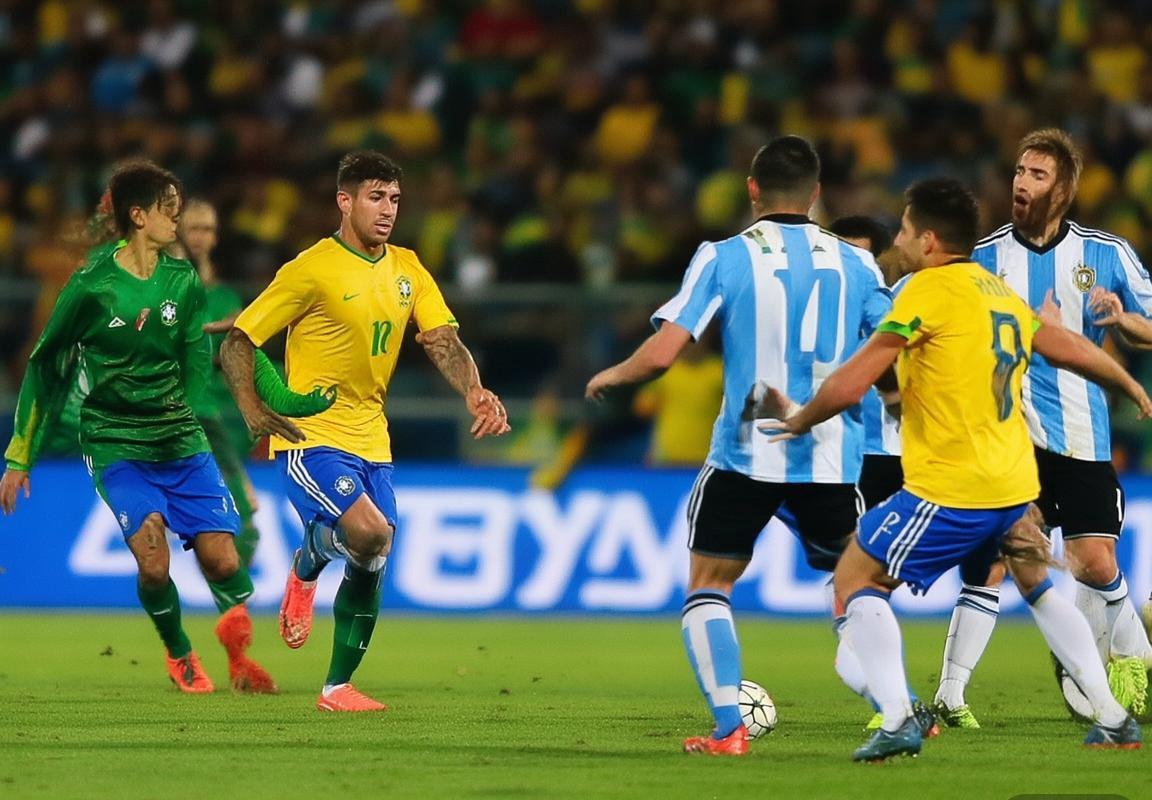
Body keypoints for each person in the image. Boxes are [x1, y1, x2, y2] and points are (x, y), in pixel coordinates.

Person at [760, 177, 1146, 761]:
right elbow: (1068, 347)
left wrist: (799, 418)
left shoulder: (924, 290)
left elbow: (856, 377)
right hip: (1013, 480)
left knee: (854, 579)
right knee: (1036, 584)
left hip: (953, 483)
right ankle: (1113, 717)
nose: (899, 240)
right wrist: (1128, 384)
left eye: (906, 229)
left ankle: (897, 717)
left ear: (930, 241)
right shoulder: (997, 290)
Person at [585, 135, 893, 756]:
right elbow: (893, 353)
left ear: (752, 189)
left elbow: (664, 354)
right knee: (858, 584)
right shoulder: (859, 265)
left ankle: (729, 729)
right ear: (816, 194)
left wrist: (613, 375)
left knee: (709, 583)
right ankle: (900, 708)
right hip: (832, 453)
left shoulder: (723, 255)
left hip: (745, 451)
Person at [219, 150, 510, 712]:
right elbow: (238, 341)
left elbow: (442, 339)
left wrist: (474, 390)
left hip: (373, 437)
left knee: (374, 552)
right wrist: (252, 411)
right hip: (312, 436)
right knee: (371, 532)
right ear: (345, 202)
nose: (388, 209)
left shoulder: (408, 268)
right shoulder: (310, 269)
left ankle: (336, 686)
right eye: (376, 197)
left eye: (395, 199)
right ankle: (311, 559)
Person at [0, 160, 276, 695]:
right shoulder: (92, 286)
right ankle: (179, 652)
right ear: (138, 215)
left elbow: (195, 358)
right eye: (169, 209)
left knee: (223, 560)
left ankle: (238, 655)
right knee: (153, 563)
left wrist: (190, 406)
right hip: (116, 440)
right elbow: (44, 366)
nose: (177, 218)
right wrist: (19, 455)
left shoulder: (182, 281)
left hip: (179, 438)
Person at [932, 129, 1152, 725]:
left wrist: (1124, 320)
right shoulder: (982, 258)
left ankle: (1131, 656)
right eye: (1018, 172)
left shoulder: (1105, 254)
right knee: (996, 560)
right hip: (1011, 439)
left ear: (1064, 190)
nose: (1022, 184)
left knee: (1093, 564)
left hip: (1082, 435)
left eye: (1037, 175)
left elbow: (1150, 325)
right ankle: (950, 693)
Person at [174, 199, 262, 568]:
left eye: (207, 229)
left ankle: (229, 584)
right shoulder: (165, 290)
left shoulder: (225, 297)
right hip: (180, 410)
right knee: (235, 507)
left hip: (221, 412)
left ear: (215, 237)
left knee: (238, 511)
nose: (200, 236)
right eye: (193, 228)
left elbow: (238, 354)